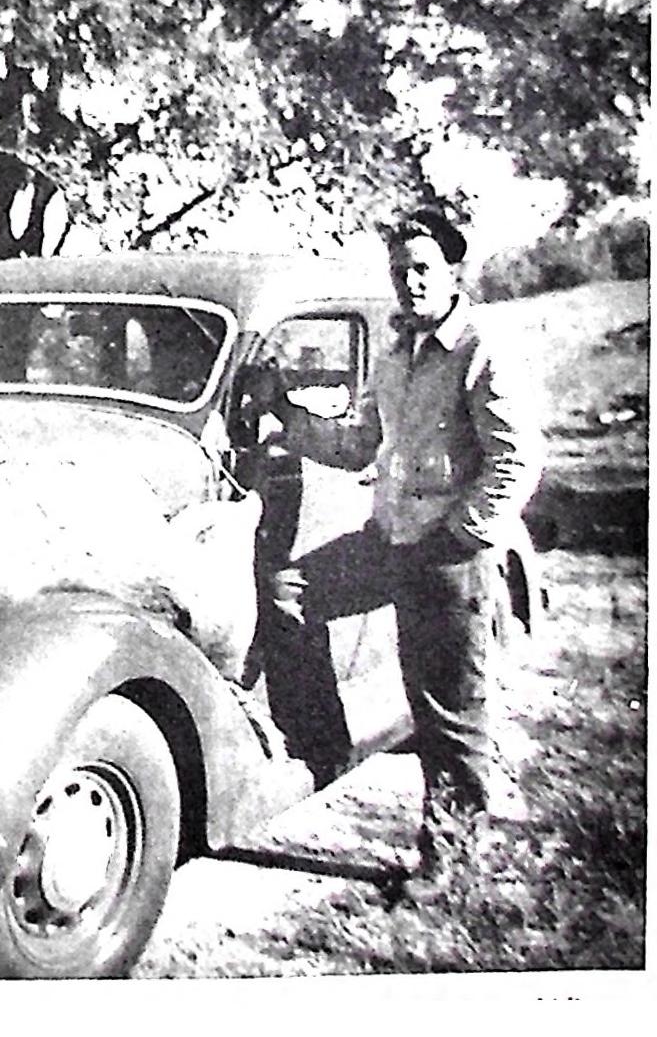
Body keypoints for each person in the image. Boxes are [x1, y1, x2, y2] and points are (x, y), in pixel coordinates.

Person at [256, 208, 543, 884]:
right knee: (290, 595)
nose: (409, 283)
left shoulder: (479, 349)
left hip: (448, 556)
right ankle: (324, 753)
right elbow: (358, 444)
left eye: (421, 269)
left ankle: (450, 865)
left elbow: (517, 459)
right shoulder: (395, 356)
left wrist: (458, 535)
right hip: (388, 542)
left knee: (448, 711)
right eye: (399, 272)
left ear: (451, 273)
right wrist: (285, 412)